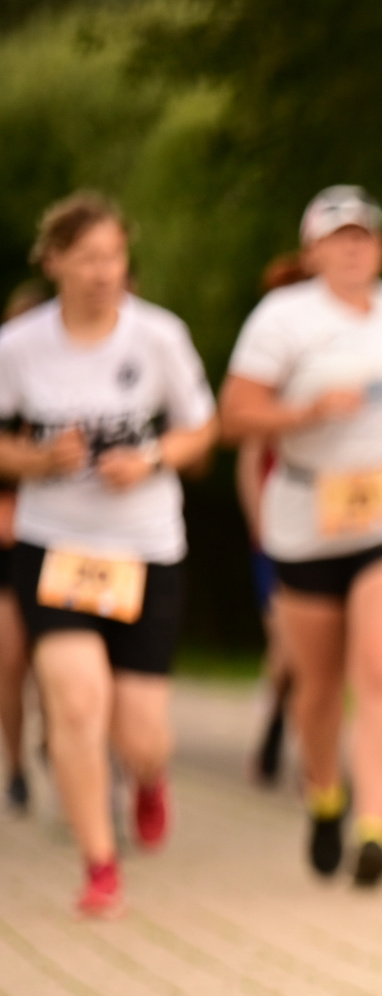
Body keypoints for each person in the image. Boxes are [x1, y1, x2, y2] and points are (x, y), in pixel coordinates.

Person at [220, 186, 382, 889]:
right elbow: (235, 416)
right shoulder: (283, 318)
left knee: (381, 669)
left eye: (366, 235)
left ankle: (376, 828)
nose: (355, 247)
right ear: (314, 249)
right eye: (340, 236)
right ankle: (326, 794)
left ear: (381, 245)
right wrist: (306, 411)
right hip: (310, 512)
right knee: (317, 685)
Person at [0, 193, 218, 916]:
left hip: (146, 550)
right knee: (74, 701)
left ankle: (149, 779)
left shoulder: (158, 337)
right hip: (55, 546)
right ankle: (99, 861)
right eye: (87, 257)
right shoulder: (21, 346)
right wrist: (37, 460)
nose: (102, 272)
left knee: (138, 732)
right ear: (54, 260)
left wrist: (151, 458)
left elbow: (202, 430)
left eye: (114, 257)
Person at [236, 251, 309, 788]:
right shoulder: (268, 371)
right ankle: (276, 726)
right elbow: (248, 457)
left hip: (326, 523)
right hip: (277, 528)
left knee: (311, 650)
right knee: (291, 645)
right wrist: (261, 525)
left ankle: (302, 741)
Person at [0, 276, 51, 813]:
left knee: (60, 659)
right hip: (8, 554)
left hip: (61, 544)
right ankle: (15, 764)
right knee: (10, 659)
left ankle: (59, 737)